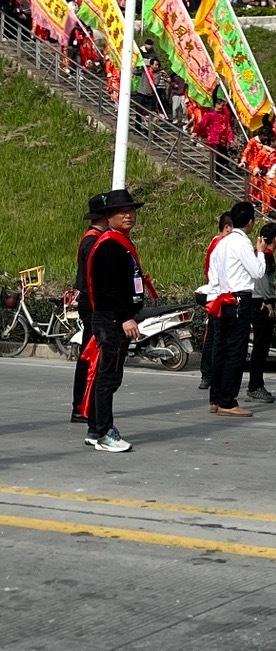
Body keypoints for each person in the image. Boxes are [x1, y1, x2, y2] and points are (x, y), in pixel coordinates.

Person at [79, 188, 147, 453]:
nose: (128, 215)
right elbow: (109, 289)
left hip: (111, 318)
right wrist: (125, 317)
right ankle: (105, 431)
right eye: (122, 211)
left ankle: (96, 429)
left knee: (106, 376)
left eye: (131, 210)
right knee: (108, 376)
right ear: (108, 216)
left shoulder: (118, 241)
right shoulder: (109, 245)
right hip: (111, 319)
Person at [206, 200, 268, 417]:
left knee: (221, 349)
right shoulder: (242, 243)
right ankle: (228, 401)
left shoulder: (221, 243)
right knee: (236, 351)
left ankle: (215, 397)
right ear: (250, 222)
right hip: (240, 298)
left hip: (222, 297)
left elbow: (213, 273)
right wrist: (259, 252)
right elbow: (257, 272)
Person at [71, 193, 109, 422]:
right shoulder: (95, 240)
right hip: (93, 302)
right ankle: (83, 406)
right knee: (91, 355)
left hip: (89, 300)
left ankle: (83, 405)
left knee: (91, 353)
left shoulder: (89, 237)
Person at [247, 221, 276, 405]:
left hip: (255, 301)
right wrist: (268, 302)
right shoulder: (266, 256)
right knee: (260, 348)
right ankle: (255, 386)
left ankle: (255, 384)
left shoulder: (260, 254)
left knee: (260, 348)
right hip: (261, 304)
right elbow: (263, 281)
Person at [198, 211, 234, 389]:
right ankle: (210, 374)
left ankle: (207, 374)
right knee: (215, 336)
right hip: (219, 296)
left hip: (215, 294)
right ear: (227, 228)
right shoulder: (221, 244)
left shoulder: (215, 242)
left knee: (212, 335)